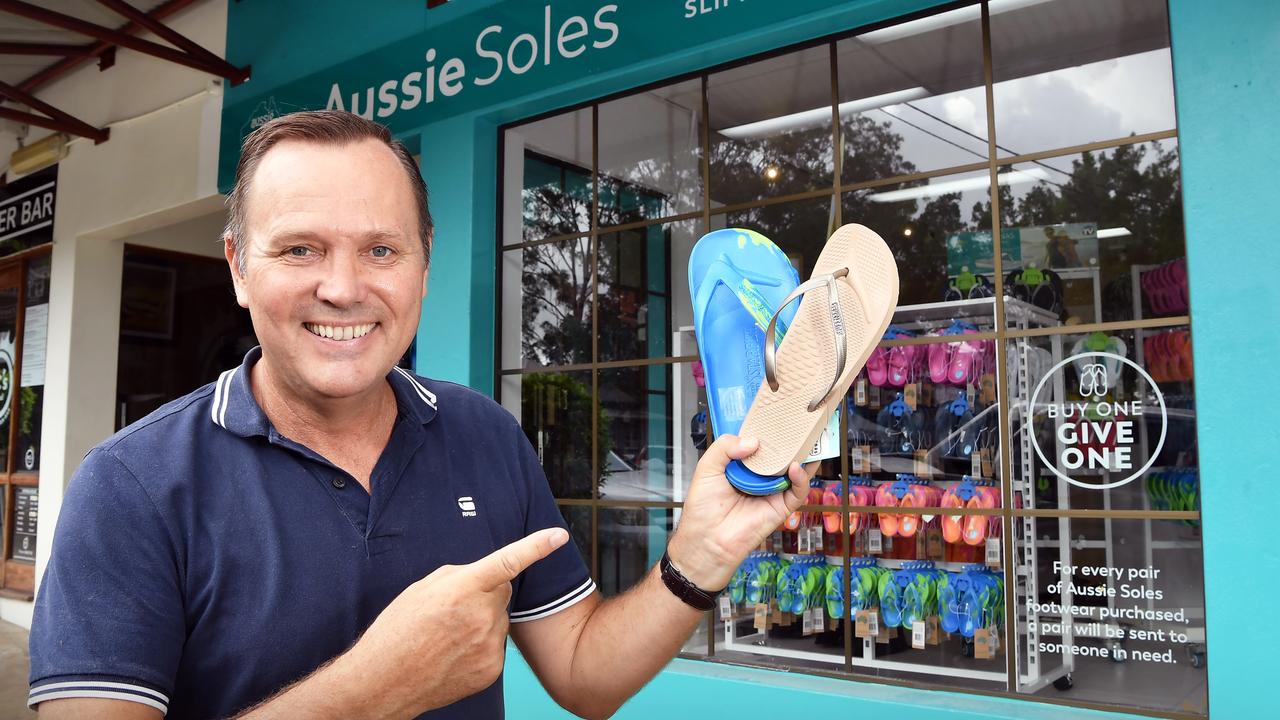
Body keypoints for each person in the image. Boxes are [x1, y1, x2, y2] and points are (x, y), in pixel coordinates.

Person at [28, 110, 813, 719]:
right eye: (300, 249)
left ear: (424, 265)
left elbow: (584, 676)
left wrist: (700, 553)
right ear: (237, 266)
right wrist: (374, 690)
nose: (343, 288)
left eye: (381, 250)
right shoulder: (130, 488)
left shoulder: (485, 436)